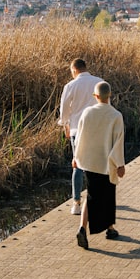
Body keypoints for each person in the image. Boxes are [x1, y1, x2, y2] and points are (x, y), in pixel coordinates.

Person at [74, 81, 126, 249]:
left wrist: (76, 157)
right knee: (108, 194)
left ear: (95, 96)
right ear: (109, 95)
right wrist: (120, 164)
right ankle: (109, 229)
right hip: (107, 161)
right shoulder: (116, 115)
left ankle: (83, 227)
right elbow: (118, 142)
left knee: (91, 195)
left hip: (89, 161)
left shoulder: (87, 113)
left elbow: (80, 136)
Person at [58, 58, 105, 216]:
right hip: (96, 129)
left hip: (77, 129)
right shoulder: (99, 82)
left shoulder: (70, 86)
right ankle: (96, 199)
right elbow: (106, 105)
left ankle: (76, 203)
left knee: (77, 165)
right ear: (86, 67)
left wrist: (65, 124)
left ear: (74, 70)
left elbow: (64, 109)